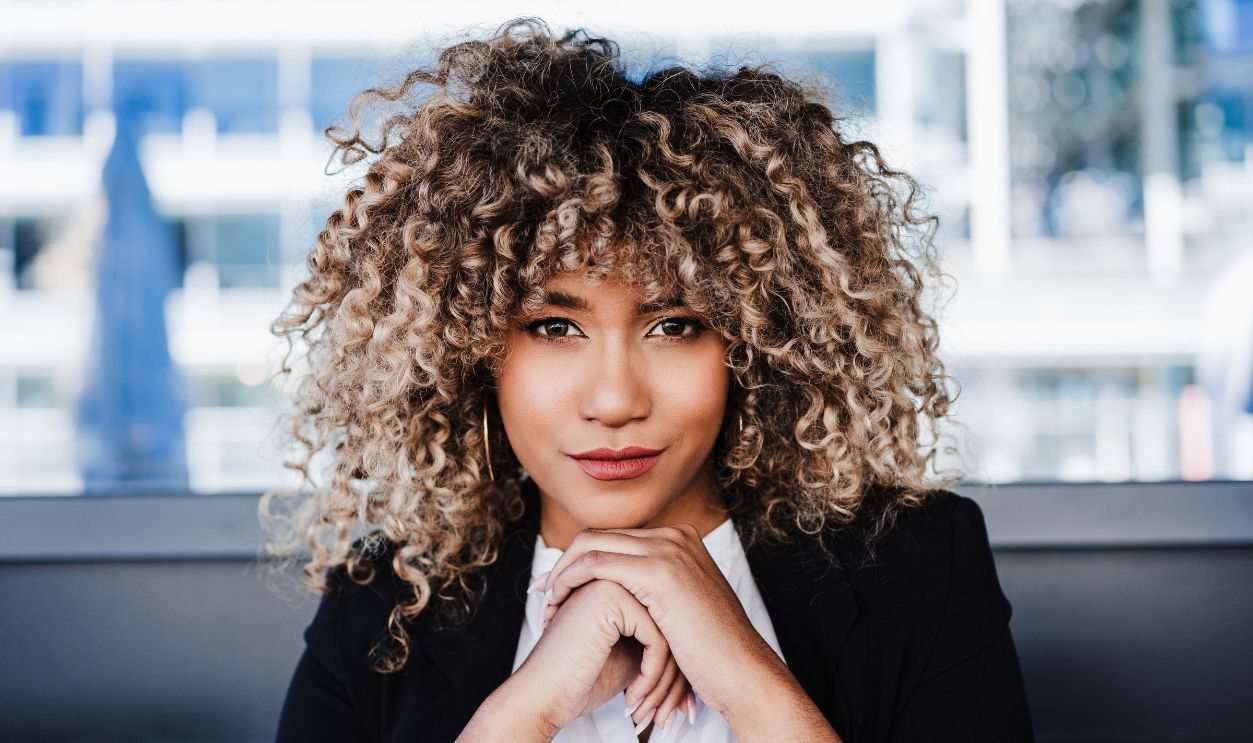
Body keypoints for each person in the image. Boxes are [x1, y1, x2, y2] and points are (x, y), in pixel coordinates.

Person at [263, 17, 1034, 743]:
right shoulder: (380, 609)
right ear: (468, 345)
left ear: (757, 341)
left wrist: (746, 672)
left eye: (674, 325)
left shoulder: (919, 568)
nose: (614, 401)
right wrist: (528, 707)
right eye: (553, 326)